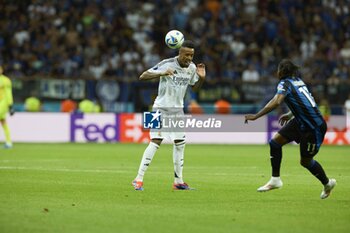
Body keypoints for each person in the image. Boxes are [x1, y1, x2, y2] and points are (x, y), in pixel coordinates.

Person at [244, 59, 336, 199]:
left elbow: (277, 101)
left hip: (313, 127)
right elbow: (305, 100)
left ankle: (327, 183)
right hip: (300, 121)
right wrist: (290, 113)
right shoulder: (298, 80)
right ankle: (275, 180)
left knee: (305, 161)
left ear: (280, 71)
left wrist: (257, 116)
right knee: (275, 142)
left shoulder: (284, 83)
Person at [132, 40, 206, 191]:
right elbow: (143, 76)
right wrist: (161, 72)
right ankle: (138, 179)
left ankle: (178, 182)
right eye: (186, 55)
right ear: (179, 53)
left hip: (178, 110)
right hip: (159, 108)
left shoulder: (192, 68)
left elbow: (195, 89)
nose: (189, 58)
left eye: (192, 55)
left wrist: (202, 78)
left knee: (180, 143)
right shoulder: (167, 63)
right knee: (155, 141)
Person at [0, 65, 15, 149]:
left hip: (3, 103)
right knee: (3, 122)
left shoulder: (5, 80)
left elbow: (8, 93)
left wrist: (10, 105)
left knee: (3, 122)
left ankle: (9, 143)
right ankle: (9, 142)